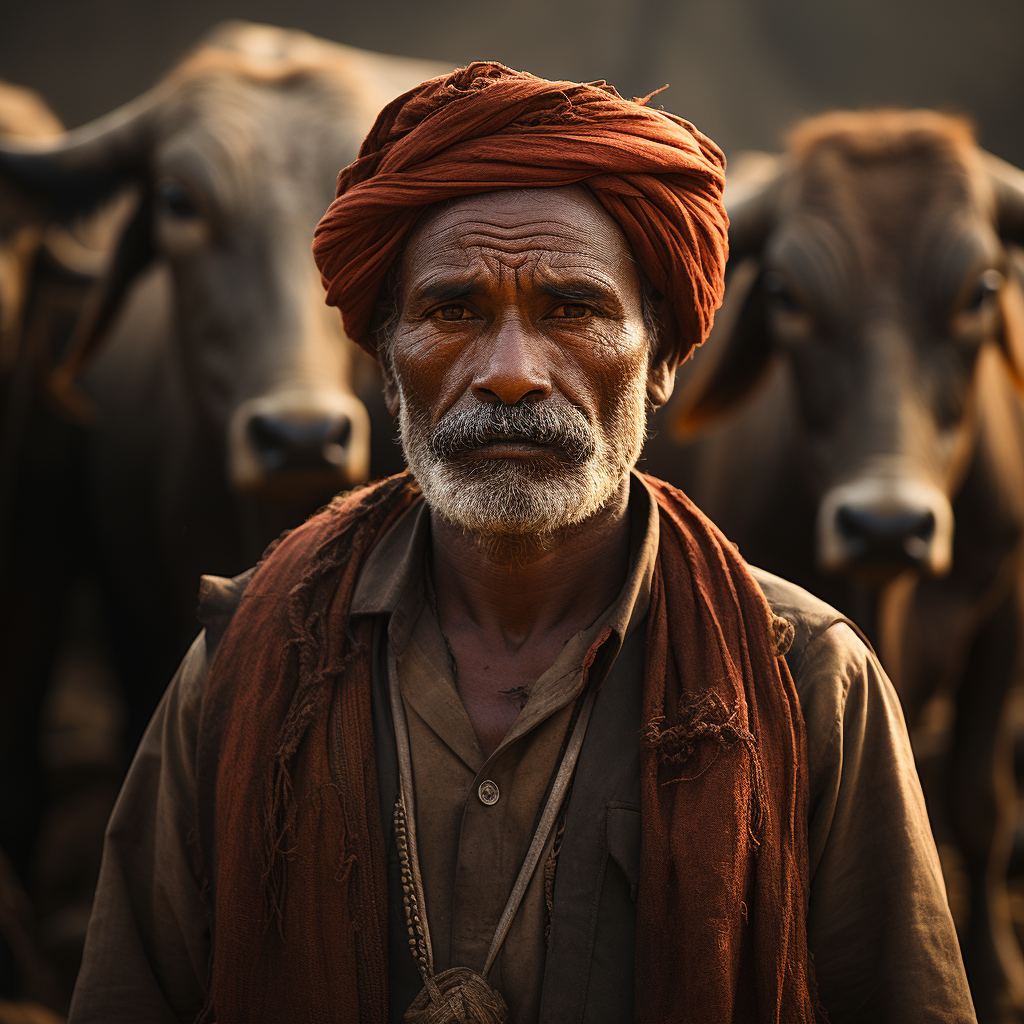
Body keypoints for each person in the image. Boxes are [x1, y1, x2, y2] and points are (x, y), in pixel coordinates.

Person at [68, 63, 974, 1024]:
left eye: (572, 311)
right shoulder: (245, 657)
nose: (509, 374)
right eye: (452, 311)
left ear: (662, 360)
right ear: (383, 362)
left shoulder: (806, 679)